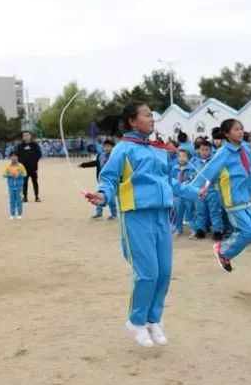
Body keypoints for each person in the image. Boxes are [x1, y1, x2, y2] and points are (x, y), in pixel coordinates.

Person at [88, 101, 173, 348]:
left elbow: (169, 182)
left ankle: (152, 319)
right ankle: (136, 323)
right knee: (147, 273)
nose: (152, 119)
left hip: (161, 215)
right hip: (136, 215)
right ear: (132, 121)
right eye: (147, 115)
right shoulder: (123, 149)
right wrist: (102, 195)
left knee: (164, 273)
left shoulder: (158, 149)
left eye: (152, 115)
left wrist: (193, 191)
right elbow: (109, 178)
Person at [174, 118, 251, 273]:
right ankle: (223, 251)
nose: (240, 131)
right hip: (233, 198)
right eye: (236, 129)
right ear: (226, 134)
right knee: (248, 231)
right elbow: (208, 173)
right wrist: (193, 189)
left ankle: (225, 252)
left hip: (246, 195)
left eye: (241, 128)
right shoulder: (223, 153)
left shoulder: (245, 148)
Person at [191, 141, 223, 241]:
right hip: (199, 191)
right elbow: (192, 175)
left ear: (210, 150)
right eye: (202, 150)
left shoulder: (214, 161)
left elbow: (218, 173)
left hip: (212, 190)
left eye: (207, 150)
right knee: (200, 211)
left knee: (215, 211)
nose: (204, 152)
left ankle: (217, 230)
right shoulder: (195, 162)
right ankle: (200, 230)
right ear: (198, 150)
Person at [79, 140, 117, 220]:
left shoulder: (115, 156)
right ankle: (99, 213)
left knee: (111, 199)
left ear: (112, 147)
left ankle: (114, 214)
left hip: (111, 182)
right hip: (101, 181)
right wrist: (84, 165)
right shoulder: (100, 155)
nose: (106, 148)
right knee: (98, 196)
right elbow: (95, 163)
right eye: (105, 146)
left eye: (108, 146)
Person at [171, 148, 196, 236]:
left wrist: (186, 183)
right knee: (178, 211)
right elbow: (172, 179)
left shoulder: (191, 168)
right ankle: (178, 229)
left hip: (187, 192)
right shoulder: (174, 168)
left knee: (190, 211)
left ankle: (193, 229)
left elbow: (193, 178)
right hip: (178, 194)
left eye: (184, 156)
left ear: (188, 157)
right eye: (179, 156)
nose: (181, 158)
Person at [17, 131, 42, 203]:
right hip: (23, 168)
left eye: (27, 135)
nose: (26, 137)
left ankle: (37, 197)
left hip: (33, 167)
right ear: (22, 137)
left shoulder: (35, 145)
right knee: (24, 183)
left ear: (30, 136)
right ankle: (25, 197)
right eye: (24, 135)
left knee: (35, 182)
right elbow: (17, 155)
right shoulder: (20, 146)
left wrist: (34, 161)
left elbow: (39, 154)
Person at [4, 151, 27, 220]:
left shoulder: (21, 166)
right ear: (10, 157)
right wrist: (10, 175)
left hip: (19, 186)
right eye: (12, 156)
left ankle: (19, 213)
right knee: (12, 200)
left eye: (15, 156)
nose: (14, 158)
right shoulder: (8, 166)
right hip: (11, 186)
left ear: (17, 157)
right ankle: (12, 214)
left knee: (19, 200)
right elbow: (4, 175)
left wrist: (19, 175)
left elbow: (25, 174)